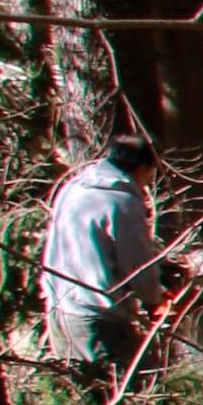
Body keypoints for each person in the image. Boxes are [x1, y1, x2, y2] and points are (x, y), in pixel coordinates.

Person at [39, 131, 162, 378]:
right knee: (141, 390)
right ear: (140, 168)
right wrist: (155, 298)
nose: (149, 182)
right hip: (97, 320)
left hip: (59, 309)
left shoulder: (74, 186)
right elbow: (138, 269)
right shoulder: (121, 202)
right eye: (151, 172)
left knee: (87, 398)